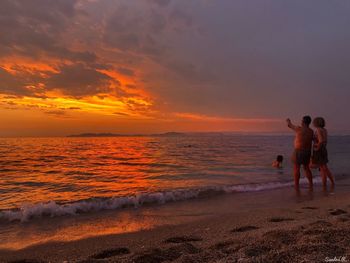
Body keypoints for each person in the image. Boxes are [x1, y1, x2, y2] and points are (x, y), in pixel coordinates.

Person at [286, 116, 314, 191]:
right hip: (307, 152)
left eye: (302, 121)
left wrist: (288, 121)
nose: (301, 122)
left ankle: (296, 185)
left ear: (303, 122)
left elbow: (290, 125)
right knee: (306, 168)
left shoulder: (299, 129)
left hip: (299, 151)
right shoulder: (311, 131)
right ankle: (311, 184)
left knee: (296, 168)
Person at [312, 117, 335, 189]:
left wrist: (317, 147)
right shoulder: (324, 130)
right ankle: (328, 183)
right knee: (323, 168)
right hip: (324, 149)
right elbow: (324, 140)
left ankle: (328, 183)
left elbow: (321, 140)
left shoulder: (318, 130)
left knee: (323, 168)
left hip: (320, 150)